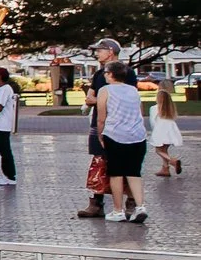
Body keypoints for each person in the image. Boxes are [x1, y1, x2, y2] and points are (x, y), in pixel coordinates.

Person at [78, 38, 126, 219]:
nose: (96, 53)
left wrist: (100, 99)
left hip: (119, 126)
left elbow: (126, 98)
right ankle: (96, 203)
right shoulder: (99, 75)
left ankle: (128, 203)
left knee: (123, 165)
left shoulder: (125, 74)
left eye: (100, 50)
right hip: (98, 124)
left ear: (111, 52)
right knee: (98, 163)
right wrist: (101, 100)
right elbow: (88, 98)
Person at [96, 62, 149, 224]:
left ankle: (118, 210)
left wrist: (100, 135)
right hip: (138, 136)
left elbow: (101, 117)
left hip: (115, 135)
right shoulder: (133, 90)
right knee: (134, 172)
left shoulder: (105, 90)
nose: (104, 75)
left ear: (111, 74)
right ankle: (140, 206)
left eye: (106, 72)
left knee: (116, 173)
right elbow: (140, 112)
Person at [152, 84, 184, 178]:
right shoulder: (170, 109)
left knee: (158, 150)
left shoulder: (154, 108)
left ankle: (172, 161)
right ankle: (165, 169)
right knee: (164, 149)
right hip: (171, 130)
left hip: (160, 130)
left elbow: (153, 122)